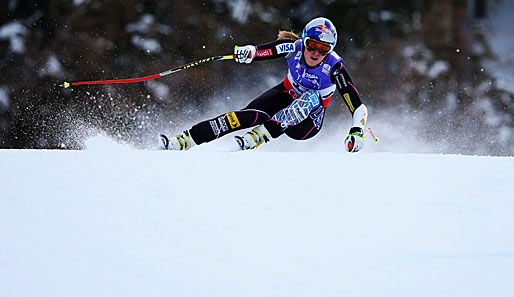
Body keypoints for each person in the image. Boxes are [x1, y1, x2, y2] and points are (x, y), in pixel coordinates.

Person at [161, 17, 368, 152]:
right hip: (286, 93)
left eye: (323, 49)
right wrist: (247, 52)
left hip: (306, 123)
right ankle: (186, 139)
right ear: (304, 41)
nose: (316, 53)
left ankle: (261, 135)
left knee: (311, 97)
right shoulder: (293, 47)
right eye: (312, 45)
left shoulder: (334, 67)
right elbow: (263, 51)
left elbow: (357, 106)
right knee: (245, 117)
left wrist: (357, 130)